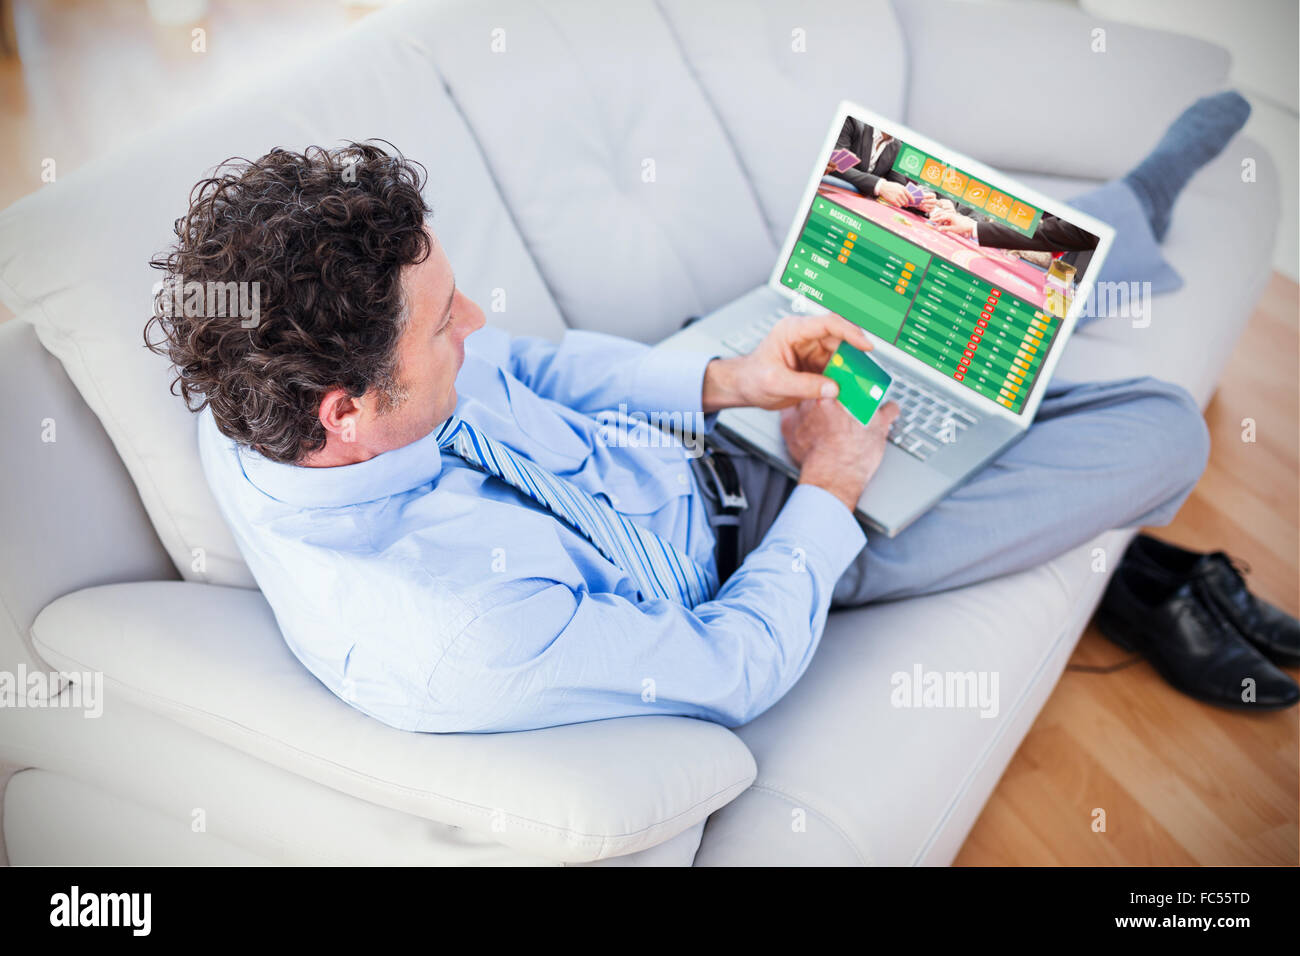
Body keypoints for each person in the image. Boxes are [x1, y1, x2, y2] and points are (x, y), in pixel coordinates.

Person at [145, 93, 1294, 735]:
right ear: (348, 412)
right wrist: (835, 484)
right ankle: (1146, 581)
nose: (479, 320)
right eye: (446, 321)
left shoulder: (261, 396)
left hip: (683, 414)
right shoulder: (456, 629)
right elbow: (729, 661)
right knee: (1160, 425)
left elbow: (539, 370)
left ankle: (1119, 216)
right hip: (779, 543)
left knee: (931, 285)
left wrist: (725, 379)